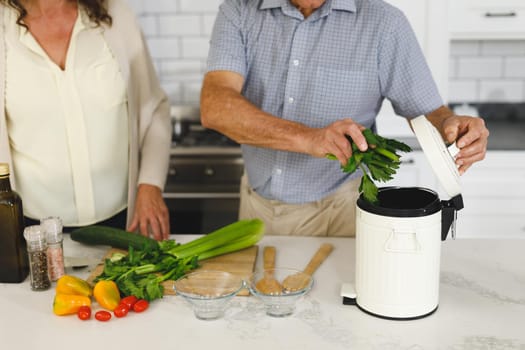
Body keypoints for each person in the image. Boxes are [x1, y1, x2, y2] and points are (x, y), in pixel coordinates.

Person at [200, 0, 490, 236]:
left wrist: (449, 125)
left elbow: (427, 111)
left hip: (343, 212)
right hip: (258, 209)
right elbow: (215, 107)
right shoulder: (239, 11)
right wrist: (309, 138)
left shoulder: (384, 23)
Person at [0, 0, 171, 240]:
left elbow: (154, 110)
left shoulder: (116, 16)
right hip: (33, 234)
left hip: (123, 224)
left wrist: (150, 184)